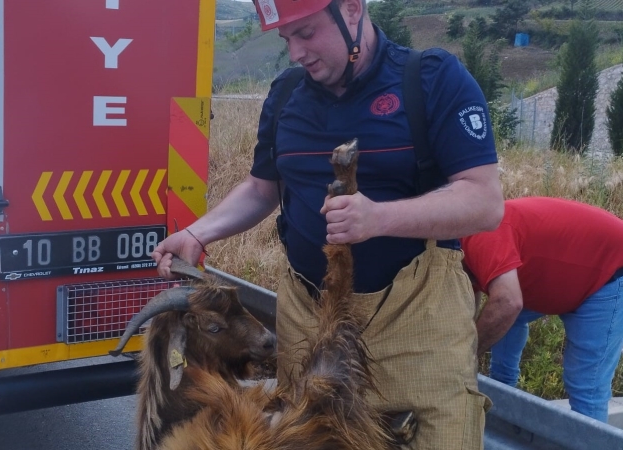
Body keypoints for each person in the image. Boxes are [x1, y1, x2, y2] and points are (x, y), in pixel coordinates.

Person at [153, 0, 504, 448]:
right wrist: (198, 232)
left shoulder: (431, 80)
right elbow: (262, 189)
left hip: (416, 322)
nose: (296, 52)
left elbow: (483, 201)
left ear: (352, 10)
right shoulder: (286, 95)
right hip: (307, 316)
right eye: (286, 39)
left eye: (306, 33)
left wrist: (378, 217)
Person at [461, 196, 623, 423]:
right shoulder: (460, 247)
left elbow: (507, 303)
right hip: (565, 268)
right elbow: (470, 304)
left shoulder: (481, 237)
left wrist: (466, 357)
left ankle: (590, 437)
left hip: (609, 268)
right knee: (501, 319)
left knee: (587, 386)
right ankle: (501, 401)